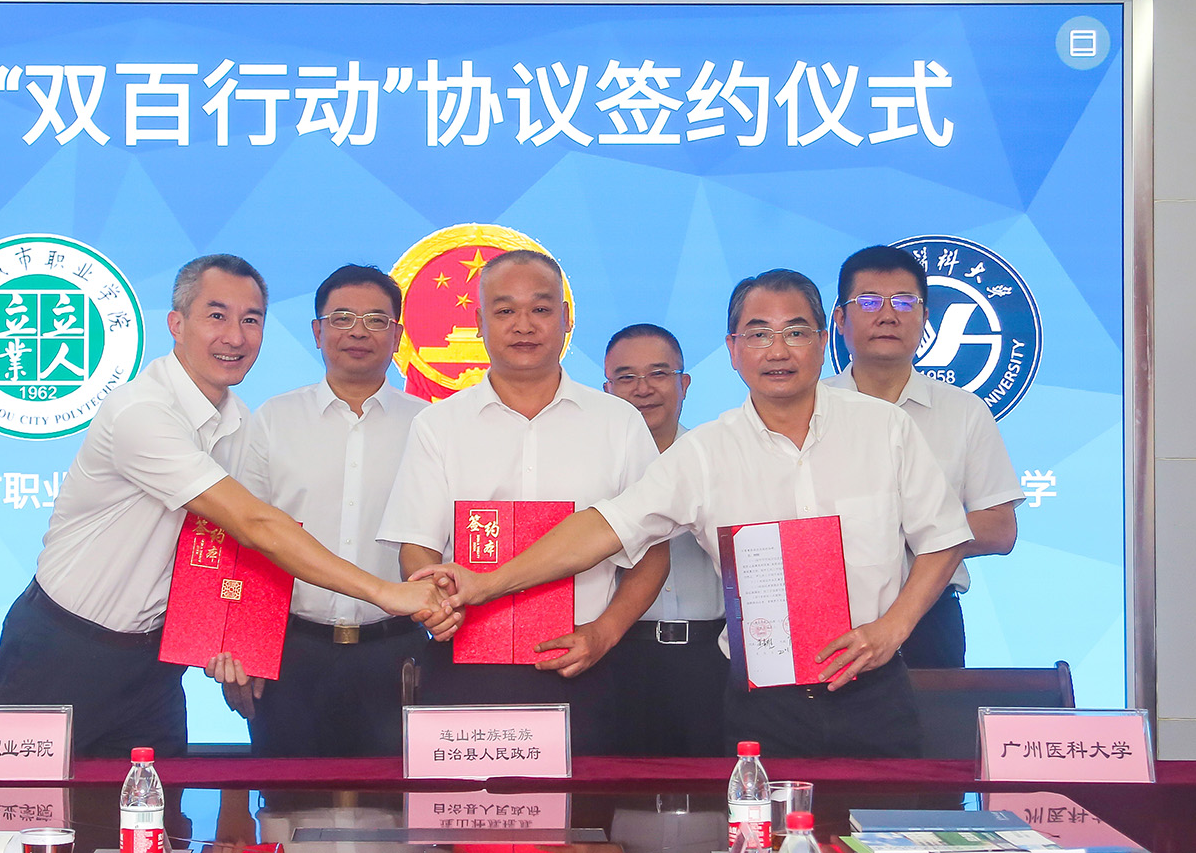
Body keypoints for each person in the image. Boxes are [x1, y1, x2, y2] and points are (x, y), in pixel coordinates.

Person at [416, 269, 973, 758]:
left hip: (875, 689)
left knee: (882, 830)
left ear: (823, 340)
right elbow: (605, 527)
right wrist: (489, 583)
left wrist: (892, 629)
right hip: (763, 705)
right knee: (762, 830)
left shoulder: (885, 429)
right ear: (733, 349)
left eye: (796, 332)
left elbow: (944, 537)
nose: (777, 350)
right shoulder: (705, 452)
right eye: (758, 334)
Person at [0, 254, 455, 758]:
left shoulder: (239, 422)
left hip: (154, 663)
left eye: (250, 320)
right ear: (176, 323)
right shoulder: (141, 413)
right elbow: (254, 525)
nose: (234, 336)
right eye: (216, 315)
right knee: (29, 805)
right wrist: (386, 592)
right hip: (65, 646)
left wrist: (231, 639)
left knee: (152, 805)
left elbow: (226, 556)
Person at [378, 250, 668, 756]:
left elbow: (653, 553)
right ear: (479, 322)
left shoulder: (618, 422)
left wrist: (604, 633)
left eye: (540, 308)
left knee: (585, 806)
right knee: (466, 805)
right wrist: (435, 605)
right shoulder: (439, 425)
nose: (524, 325)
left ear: (566, 318)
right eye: (505, 310)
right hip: (465, 663)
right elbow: (417, 547)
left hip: (584, 665)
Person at [210, 264, 429, 756]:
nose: (358, 332)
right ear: (316, 331)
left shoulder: (429, 426)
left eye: (376, 320)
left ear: (397, 336)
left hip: (399, 653)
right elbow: (243, 540)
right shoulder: (273, 419)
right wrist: (241, 644)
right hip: (291, 654)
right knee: (289, 797)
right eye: (342, 318)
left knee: (399, 799)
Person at [827, 245, 1023, 668]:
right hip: (830, 609)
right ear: (839, 319)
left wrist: (886, 530)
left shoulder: (964, 410)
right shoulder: (811, 408)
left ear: (925, 317)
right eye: (869, 302)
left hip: (930, 617)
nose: (887, 315)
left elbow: (999, 528)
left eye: (904, 302)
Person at [600, 324, 728, 756]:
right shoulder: (592, 470)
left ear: (684, 384)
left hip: (711, 657)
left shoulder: (718, 459)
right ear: (607, 390)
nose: (643, 389)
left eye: (658, 374)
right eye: (626, 378)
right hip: (619, 652)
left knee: (714, 785)